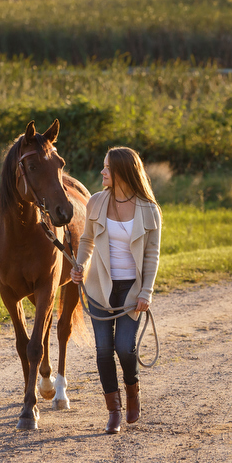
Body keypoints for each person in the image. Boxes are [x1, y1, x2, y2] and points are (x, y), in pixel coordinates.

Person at [71, 147, 162, 433]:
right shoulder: (96, 202)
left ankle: (133, 394)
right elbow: (86, 241)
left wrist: (146, 292)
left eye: (107, 167)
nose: (102, 172)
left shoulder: (149, 210)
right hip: (100, 286)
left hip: (132, 290)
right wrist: (81, 264)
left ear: (123, 171)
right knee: (102, 350)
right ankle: (114, 411)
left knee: (124, 347)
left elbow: (152, 255)